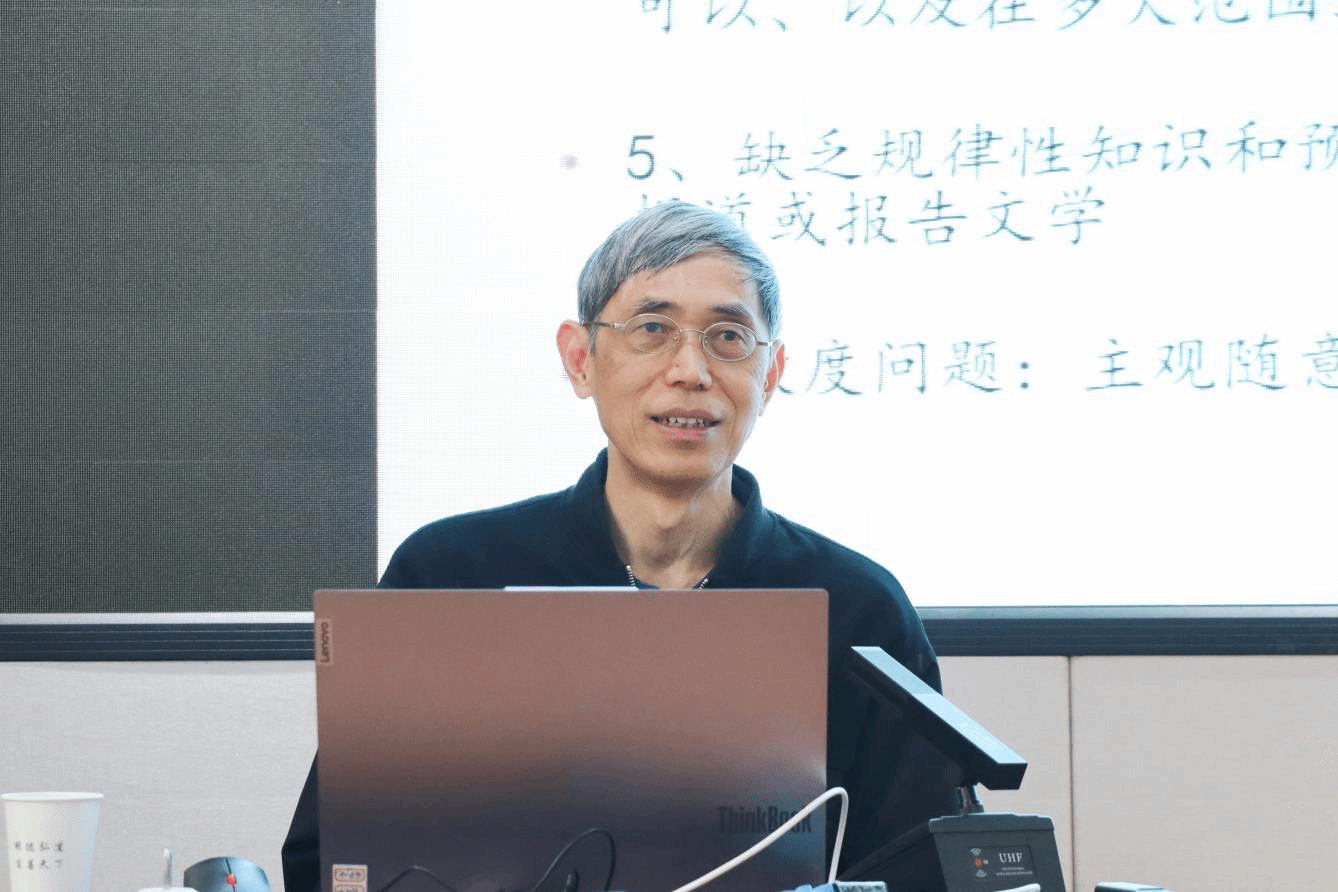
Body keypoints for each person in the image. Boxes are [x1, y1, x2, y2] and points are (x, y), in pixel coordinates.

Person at [282, 201, 955, 892]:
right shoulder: (450, 575)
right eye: (652, 329)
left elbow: (936, 868)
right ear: (580, 360)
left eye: (728, 336)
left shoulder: (858, 609)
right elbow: (329, 862)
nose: (690, 370)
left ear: (771, 373)